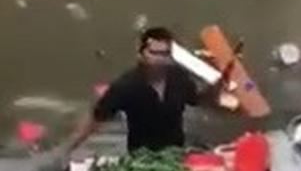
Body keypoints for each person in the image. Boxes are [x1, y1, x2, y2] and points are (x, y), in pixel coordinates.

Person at [66, 26, 217, 156]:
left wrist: (215, 90)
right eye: (154, 53)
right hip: (141, 157)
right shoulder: (126, 86)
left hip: (175, 153)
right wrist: (69, 149)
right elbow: (97, 117)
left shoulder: (179, 77)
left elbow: (197, 100)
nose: (160, 59)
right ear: (141, 54)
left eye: (165, 54)